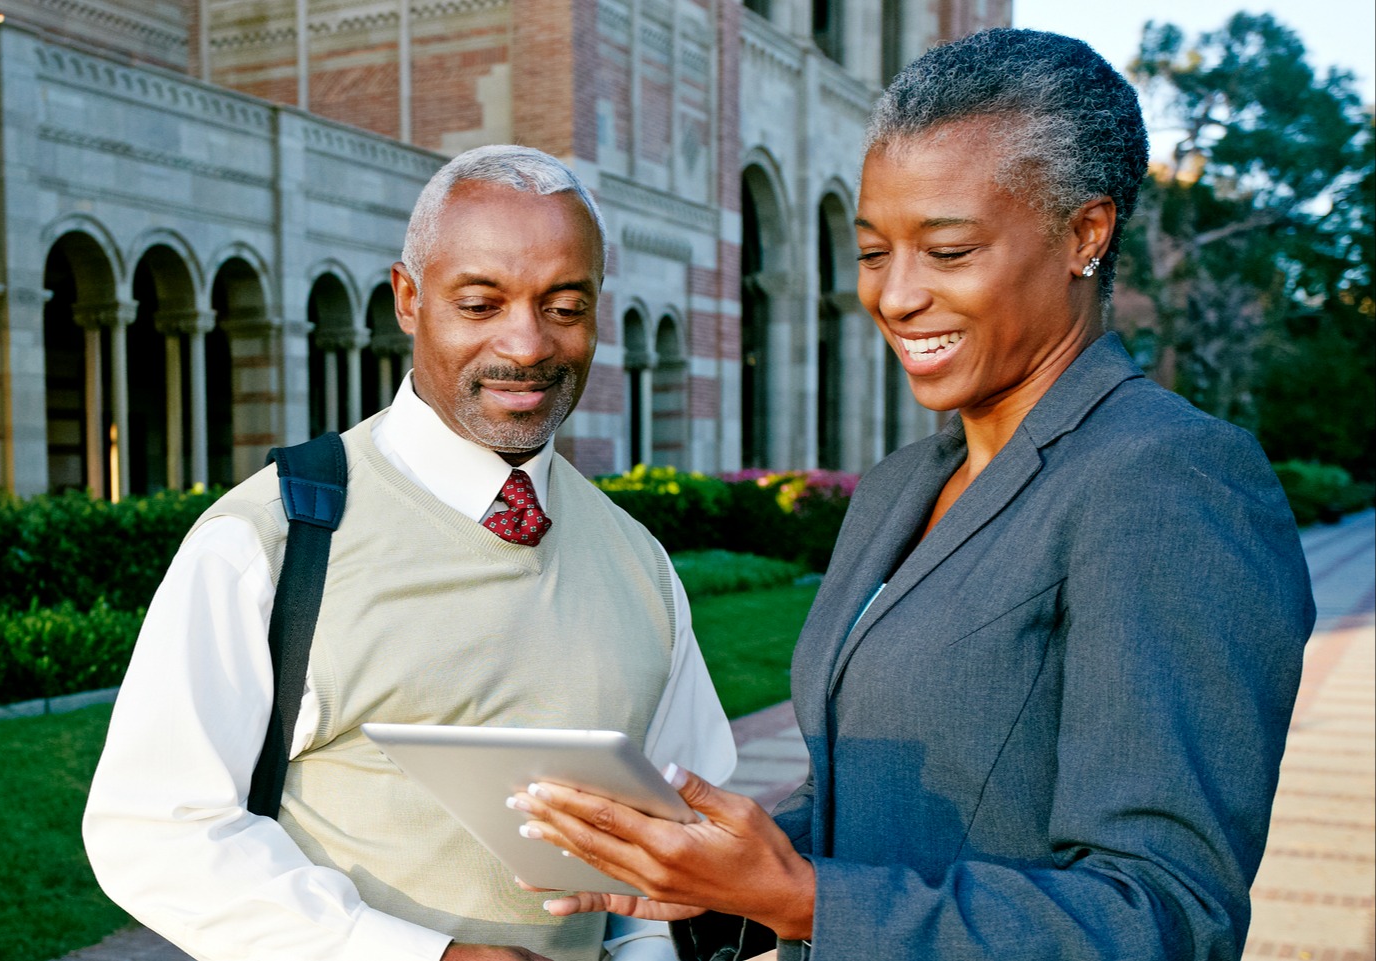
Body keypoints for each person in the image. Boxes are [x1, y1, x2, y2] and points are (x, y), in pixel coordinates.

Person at [507, 28, 1315, 961]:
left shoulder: (1165, 480)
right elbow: (871, 808)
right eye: (871, 251)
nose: (894, 296)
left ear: (1084, 235)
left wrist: (808, 899)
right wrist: (702, 885)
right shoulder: (902, 484)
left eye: (948, 250)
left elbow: (1164, 916)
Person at [83, 145, 739, 961]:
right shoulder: (269, 539)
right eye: (480, 303)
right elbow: (154, 826)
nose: (527, 343)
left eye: (564, 306)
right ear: (407, 298)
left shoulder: (639, 564)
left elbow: (671, 854)